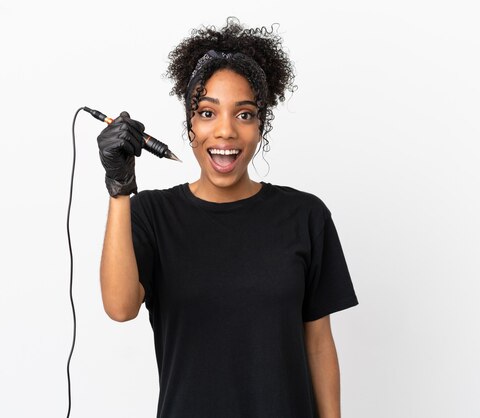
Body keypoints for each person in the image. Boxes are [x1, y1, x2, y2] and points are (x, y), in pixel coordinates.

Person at [97, 17, 359, 418]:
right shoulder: (151, 214)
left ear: (261, 125)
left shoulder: (305, 216)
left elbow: (319, 343)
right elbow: (120, 307)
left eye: (244, 114)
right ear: (189, 124)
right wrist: (119, 189)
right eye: (207, 113)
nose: (225, 132)